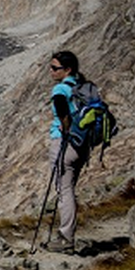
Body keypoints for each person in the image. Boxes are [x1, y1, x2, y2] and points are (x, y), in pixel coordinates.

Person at [44, 50, 88, 253]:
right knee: (70, 187)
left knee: (64, 190)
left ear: (67, 70)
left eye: (55, 68)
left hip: (65, 143)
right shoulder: (83, 85)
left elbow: (62, 113)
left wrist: (66, 130)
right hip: (82, 145)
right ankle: (66, 234)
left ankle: (65, 238)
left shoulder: (60, 90)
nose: (51, 71)